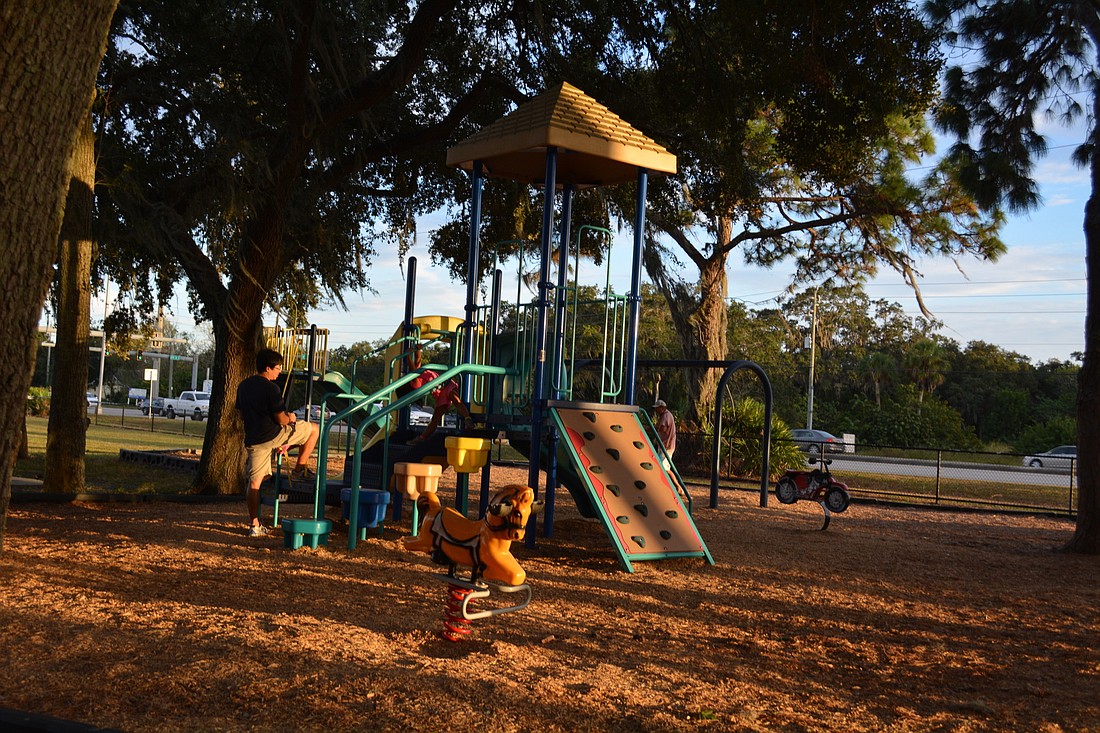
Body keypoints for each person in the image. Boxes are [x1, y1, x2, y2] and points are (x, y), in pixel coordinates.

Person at [236, 348, 319, 537]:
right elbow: (281, 419)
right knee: (314, 429)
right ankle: (299, 471)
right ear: (267, 368)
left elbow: (241, 412)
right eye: (278, 367)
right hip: (274, 434)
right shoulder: (271, 388)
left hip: (255, 440)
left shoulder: (243, 386)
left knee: (255, 482)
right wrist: (290, 418)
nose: (279, 371)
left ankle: (254, 526)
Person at [402, 344, 473, 444]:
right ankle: (421, 438)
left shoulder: (418, 375)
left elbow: (417, 361)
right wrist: (408, 355)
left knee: (455, 399)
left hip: (446, 384)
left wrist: (418, 350)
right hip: (441, 392)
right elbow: (412, 368)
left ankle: (467, 419)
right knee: (436, 418)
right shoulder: (415, 382)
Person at [652, 399, 677, 463]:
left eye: (657, 408)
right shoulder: (664, 415)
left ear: (662, 408)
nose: (656, 410)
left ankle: (676, 474)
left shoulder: (666, 416)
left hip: (667, 446)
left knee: (663, 467)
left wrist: (650, 428)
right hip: (664, 445)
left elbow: (662, 429)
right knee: (664, 466)